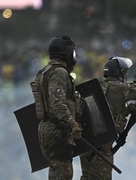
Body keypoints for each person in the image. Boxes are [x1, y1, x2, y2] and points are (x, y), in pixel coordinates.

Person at [79, 56, 136, 180]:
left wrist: (129, 109)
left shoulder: (97, 87)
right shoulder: (122, 88)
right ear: (122, 73)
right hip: (103, 148)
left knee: (86, 177)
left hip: (87, 145)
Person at [35, 35, 83, 179]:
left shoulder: (45, 71)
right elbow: (57, 103)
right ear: (67, 54)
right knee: (62, 173)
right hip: (57, 129)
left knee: (57, 172)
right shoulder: (59, 72)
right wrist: (73, 123)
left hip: (48, 127)